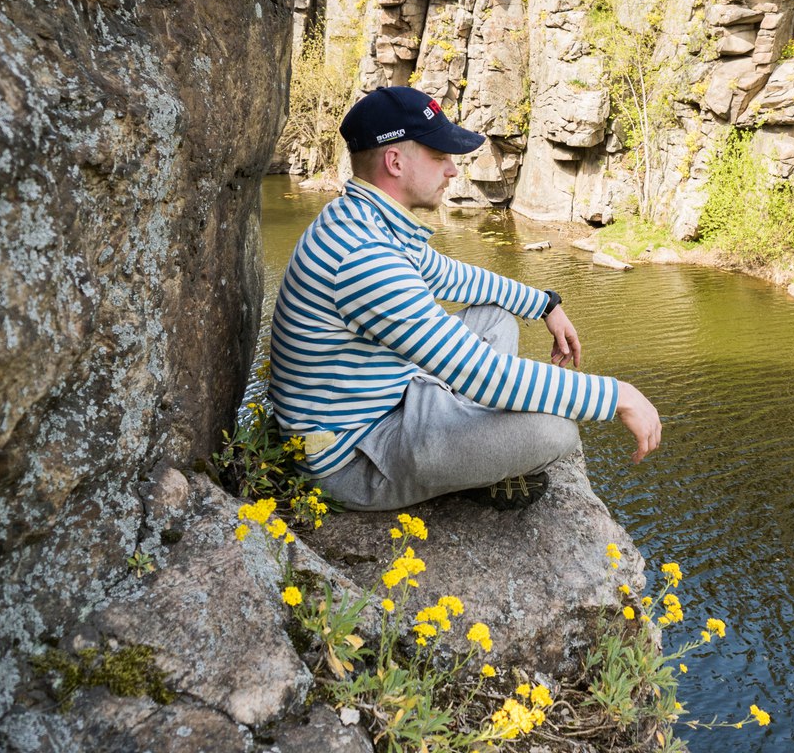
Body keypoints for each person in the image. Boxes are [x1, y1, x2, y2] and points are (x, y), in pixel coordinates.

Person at [268, 86, 662, 512]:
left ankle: (467, 446)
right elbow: (483, 375)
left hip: (390, 396)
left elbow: (453, 278)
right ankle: (469, 468)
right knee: (557, 432)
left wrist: (544, 303)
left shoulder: (367, 219)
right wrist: (619, 395)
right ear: (395, 162)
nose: (453, 171)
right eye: (439, 157)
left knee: (497, 317)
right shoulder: (364, 258)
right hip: (353, 457)